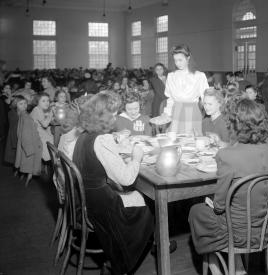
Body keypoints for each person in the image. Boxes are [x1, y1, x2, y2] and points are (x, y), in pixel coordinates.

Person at [188, 99, 268, 275]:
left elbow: (219, 206)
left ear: (234, 124)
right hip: (265, 229)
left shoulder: (227, 156)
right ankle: (238, 268)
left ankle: (218, 270)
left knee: (196, 211)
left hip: (236, 233)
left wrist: (213, 204)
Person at [72, 93, 154, 275]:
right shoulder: (102, 139)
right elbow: (126, 179)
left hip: (87, 201)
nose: (116, 118)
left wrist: (118, 146)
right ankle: (121, 262)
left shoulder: (84, 136)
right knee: (149, 205)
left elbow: (98, 158)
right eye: (114, 114)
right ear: (105, 116)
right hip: (103, 208)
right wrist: (137, 157)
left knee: (138, 196)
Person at [162, 44, 209, 134]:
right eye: (175, 60)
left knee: (191, 142)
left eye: (180, 60)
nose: (177, 63)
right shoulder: (171, 76)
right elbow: (170, 99)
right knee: (175, 140)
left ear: (188, 58)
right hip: (176, 111)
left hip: (192, 112)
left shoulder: (199, 76)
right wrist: (166, 113)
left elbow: (205, 98)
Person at [4, 96, 28, 165]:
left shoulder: (24, 113)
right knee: (17, 157)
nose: (24, 105)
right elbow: (13, 130)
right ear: (15, 105)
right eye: (21, 104)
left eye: (25, 103)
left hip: (22, 138)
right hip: (16, 139)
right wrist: (16, 143)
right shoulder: (13, 114)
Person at [30, 93, 54, 161]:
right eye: (43, 101)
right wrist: (51, 113)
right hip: (37, 134)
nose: (46, 103)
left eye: (48, 100)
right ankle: (52, 161)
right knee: (54, 140)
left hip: (37, 131)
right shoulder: (37, 110)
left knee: (52, 135)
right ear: (37, 102)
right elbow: (45, 124)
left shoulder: (37, 109)